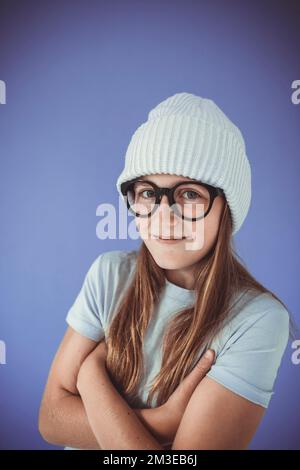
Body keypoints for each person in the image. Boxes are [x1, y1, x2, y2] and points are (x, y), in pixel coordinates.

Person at [38, 92, 296, 450]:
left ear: (227, 208)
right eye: (147, 193)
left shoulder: (258, 320)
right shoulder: (110, 275)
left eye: (189, 195)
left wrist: (90, 377)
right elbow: (51, 420)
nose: (163, 217)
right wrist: (161, 424)